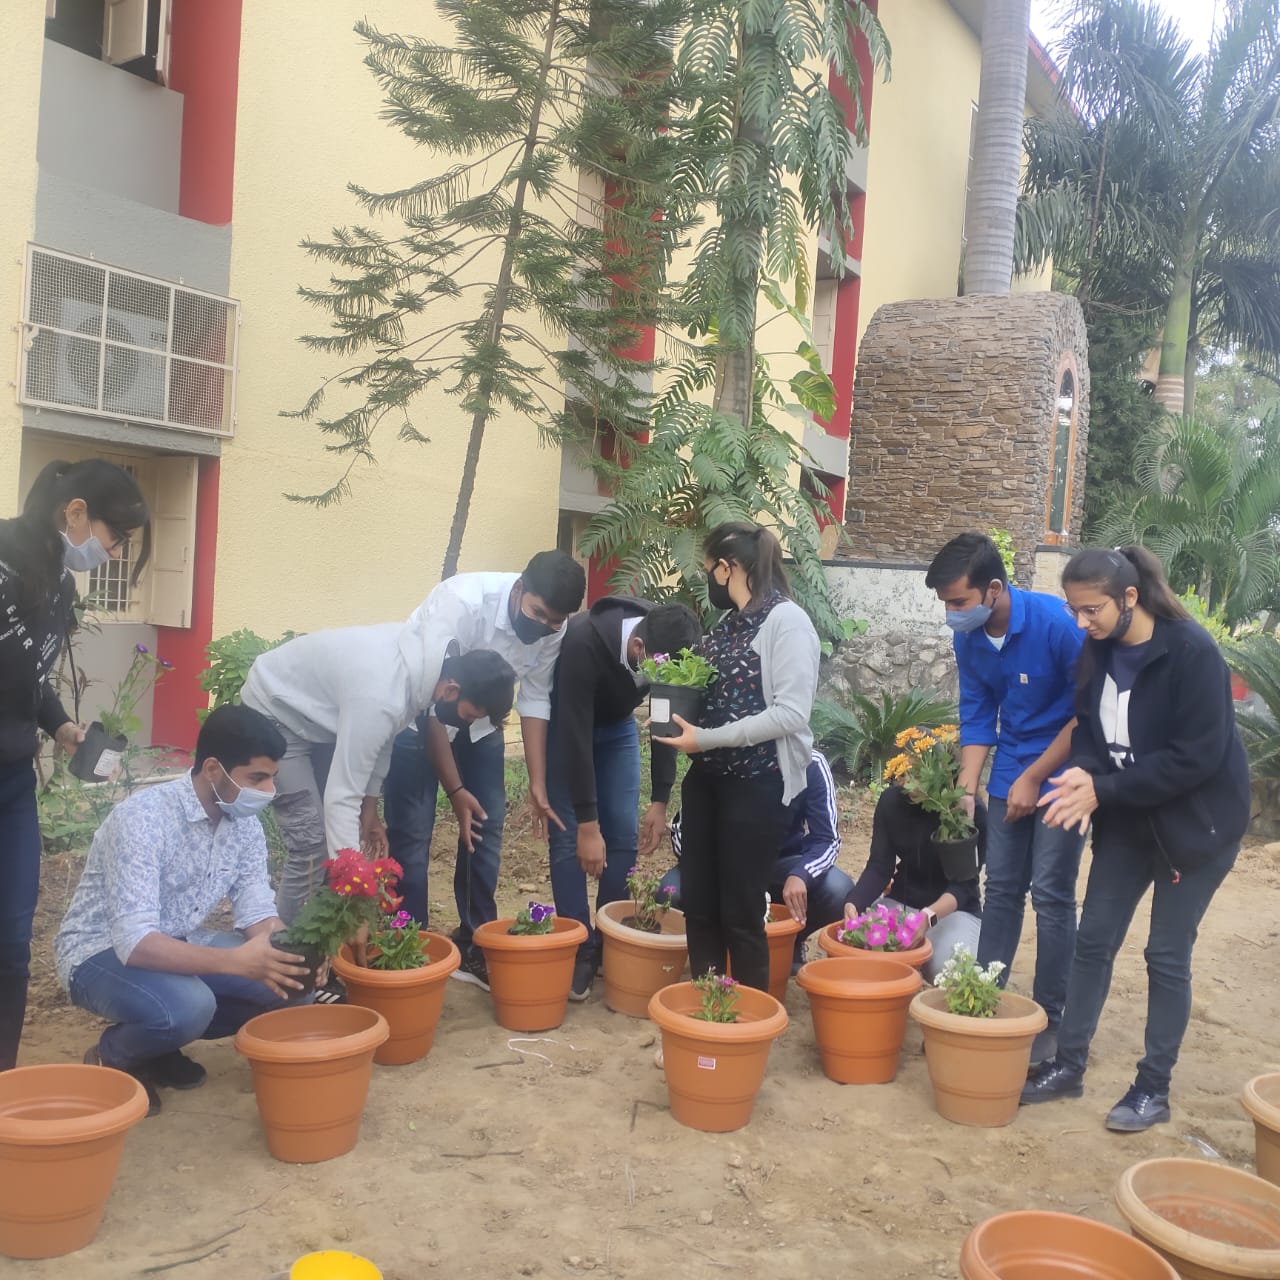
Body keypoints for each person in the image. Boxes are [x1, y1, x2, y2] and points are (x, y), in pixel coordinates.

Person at [1020, 546, 1250, 1132]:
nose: (1081, 622)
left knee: (1165, 956)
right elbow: (1089, 728)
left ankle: (1153, 1087)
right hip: (1127, 821)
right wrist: (1086, 775)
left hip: (1195, 829)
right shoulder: (1097, 650)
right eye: (1074, 610)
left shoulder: (1193, 653)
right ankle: (1067, 1065)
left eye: (1091, 609)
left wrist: (1103, 790)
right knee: (1094, 940)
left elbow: (1194, 759)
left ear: (1129, 598)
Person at [54, 705, 312, 1115]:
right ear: (213, 769)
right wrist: (235, 962)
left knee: (289, 982)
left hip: (178, 943)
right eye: (256, 778)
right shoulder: (143, 818)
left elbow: (255, 905)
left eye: (271, 779)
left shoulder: (244, 825)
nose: (267, 791)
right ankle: (115, 1055)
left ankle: (159, 1044)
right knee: (190, 1006)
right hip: (98, 953)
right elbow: (135, 943)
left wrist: (291, 950)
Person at [0, 458, 151, 1071]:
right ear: (77, 513)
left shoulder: (57, 584)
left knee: (11, 941)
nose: (113, 555)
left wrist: (60, 724)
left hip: (10, 783)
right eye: (116, 538)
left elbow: (30, 678)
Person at [384, 551, 586, 989]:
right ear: (518, 590)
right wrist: (455, 790)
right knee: (413, 835)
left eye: (555, 622)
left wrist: (536, 781)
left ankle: (476, 939)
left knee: (485, 826)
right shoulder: (460, 605)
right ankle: (407, 941)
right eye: (537, 614)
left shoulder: (553, 624)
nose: (545, 627)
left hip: (482, 725)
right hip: (423, 714)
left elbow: (534, 698)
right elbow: (433, 704)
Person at [925, 532, 1085, 1063]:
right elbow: (976, 712)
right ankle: (984, 997)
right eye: (945, 603)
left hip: (1066, 769)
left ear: (993, 589)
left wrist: (1036, 778)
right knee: (1002, 889)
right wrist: (967, 790)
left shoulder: (1058, 626)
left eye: (958, 602)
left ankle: (1051, 1018)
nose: (951, 613)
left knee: (1052, 893)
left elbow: (1085, 717)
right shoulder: (969, 638)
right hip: (1013, 764)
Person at [242, 622, 516, 926]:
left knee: (336, 838)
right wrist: (356, 889)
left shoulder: (428, 668)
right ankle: (287, 954)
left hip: (318, 717)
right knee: (312, 844)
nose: (462, 726)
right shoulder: (382, 694)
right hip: (275, 708)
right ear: (452, 690)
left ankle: (323, 948)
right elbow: (342, 797)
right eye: (468, 716)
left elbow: (385, 738)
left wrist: (369, 809)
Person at [656, 522, 820, 992]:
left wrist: (705, 739)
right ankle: (709, 1006)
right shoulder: (728, 626)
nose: (709, 581)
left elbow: (790, 713)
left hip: (759, 786)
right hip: (708, 783)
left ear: (728, 568)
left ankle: (748, 1017)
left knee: (741, 911)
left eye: (710, 570)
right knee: (701, 907)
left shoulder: (787, 622)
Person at [545, 597, 702, 1000]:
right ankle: (579, 947)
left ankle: (609, 939)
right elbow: (574, 736)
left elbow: (667, 717)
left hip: (616, 730)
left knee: (621, 839)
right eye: (657, 670)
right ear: (638, 650)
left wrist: (659, 800)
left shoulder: (668, 634)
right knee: (569, 839)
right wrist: (586, 824)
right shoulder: (582, 643)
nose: (660, 677)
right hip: (569, 730)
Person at [660, 749, 853, 972]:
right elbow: (682, 833)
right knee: (670, 892)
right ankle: (713, 952)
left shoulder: (809, 762)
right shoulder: (719, 758)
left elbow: (827, 839)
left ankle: (790, 945)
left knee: (838, 889)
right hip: (718, 863)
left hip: (781, 863)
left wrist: (802, 874)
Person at [842, 767, 987, 984]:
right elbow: (880, 867)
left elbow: (964, 886)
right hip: (903, 902)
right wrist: (854, 902)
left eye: (917, 774)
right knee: (867, 959)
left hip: (955, 911)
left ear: (939, 771)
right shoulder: (891, 801)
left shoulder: (967, 809)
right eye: (902, 774)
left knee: (950, 973)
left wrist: (928, 917)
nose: (907, 782)